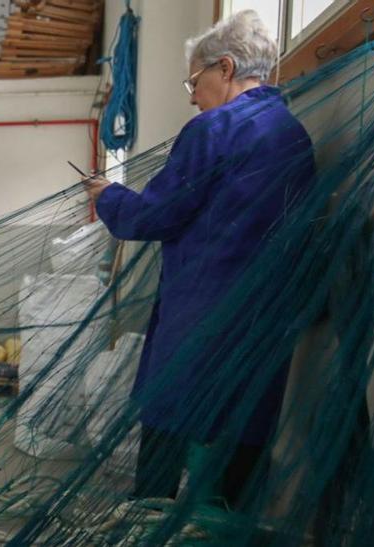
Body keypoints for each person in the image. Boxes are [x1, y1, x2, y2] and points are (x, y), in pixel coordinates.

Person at [84, 11, 315, 507]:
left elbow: (152, 217)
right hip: (265, 325)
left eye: (195, 80)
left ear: (225, 68)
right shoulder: (294, 135)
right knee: (241, 451)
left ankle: (150, 528)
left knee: (165, 442)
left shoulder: (214, 129)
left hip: (200, 318)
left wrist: (107, 196)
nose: (192, 96)